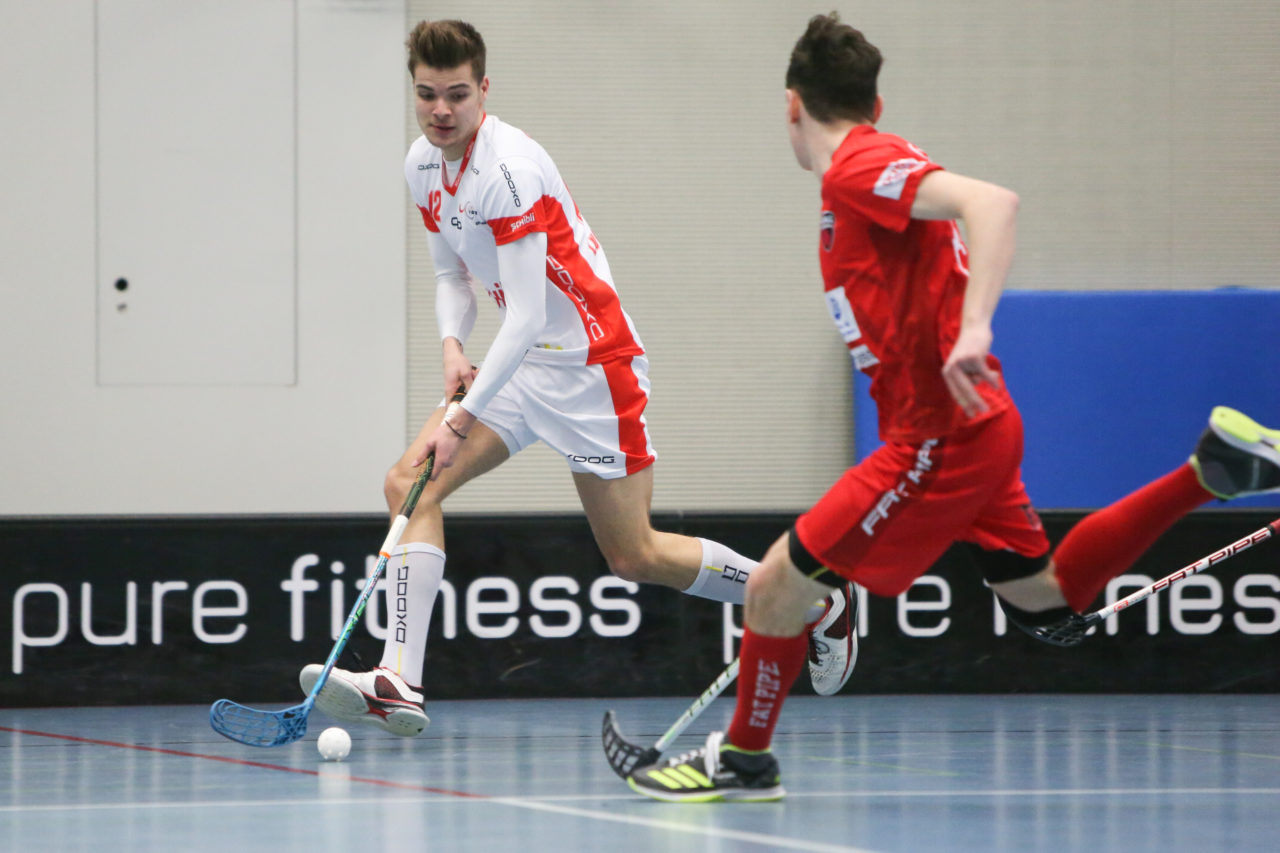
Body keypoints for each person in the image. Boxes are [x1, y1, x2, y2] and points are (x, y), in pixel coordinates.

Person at [627, 12, 1280, 802]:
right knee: (1047, 603)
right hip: (973, 427)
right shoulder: (874, 166)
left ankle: (744, 759)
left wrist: (974, 327)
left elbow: (994, 203)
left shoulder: (858, 166)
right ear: (874, 97)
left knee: (777, 584)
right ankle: (1208, 473)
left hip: (938, 437)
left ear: (792, 106)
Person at [298, 19, 859, 737]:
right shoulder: (422, 164)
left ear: (484, 91)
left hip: (593, 370)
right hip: (520, 364)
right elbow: (451, 273)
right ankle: (397, 677)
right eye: (427, 95)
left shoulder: (510, 171)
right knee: (409, 480)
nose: (441, 111)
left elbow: (530, 315)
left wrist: (461, 419)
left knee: (636, 554)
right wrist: (448, 347)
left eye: (457, 96)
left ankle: (814, 602)